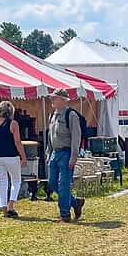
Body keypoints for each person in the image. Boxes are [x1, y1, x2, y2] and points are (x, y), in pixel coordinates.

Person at [47, 88, 85, 223]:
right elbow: (50, 136)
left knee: (63, 184)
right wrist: (48, 153)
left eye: (55, 97)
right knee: (52, 182)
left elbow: (76, 137)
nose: (52, 99)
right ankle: (75, 203)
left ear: (63, 100)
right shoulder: (52, 115)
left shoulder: (71, 115)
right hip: (55, 152)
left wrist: (73, 157)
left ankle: (65, 214)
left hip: (66, 152)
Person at [0, 100, 27, 218]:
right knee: (16, 181)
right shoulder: (13, 124)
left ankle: (4, 209)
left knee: (2, 182)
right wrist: (23, 157)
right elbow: (17, 142)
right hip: (11, 157)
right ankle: (11, 205)